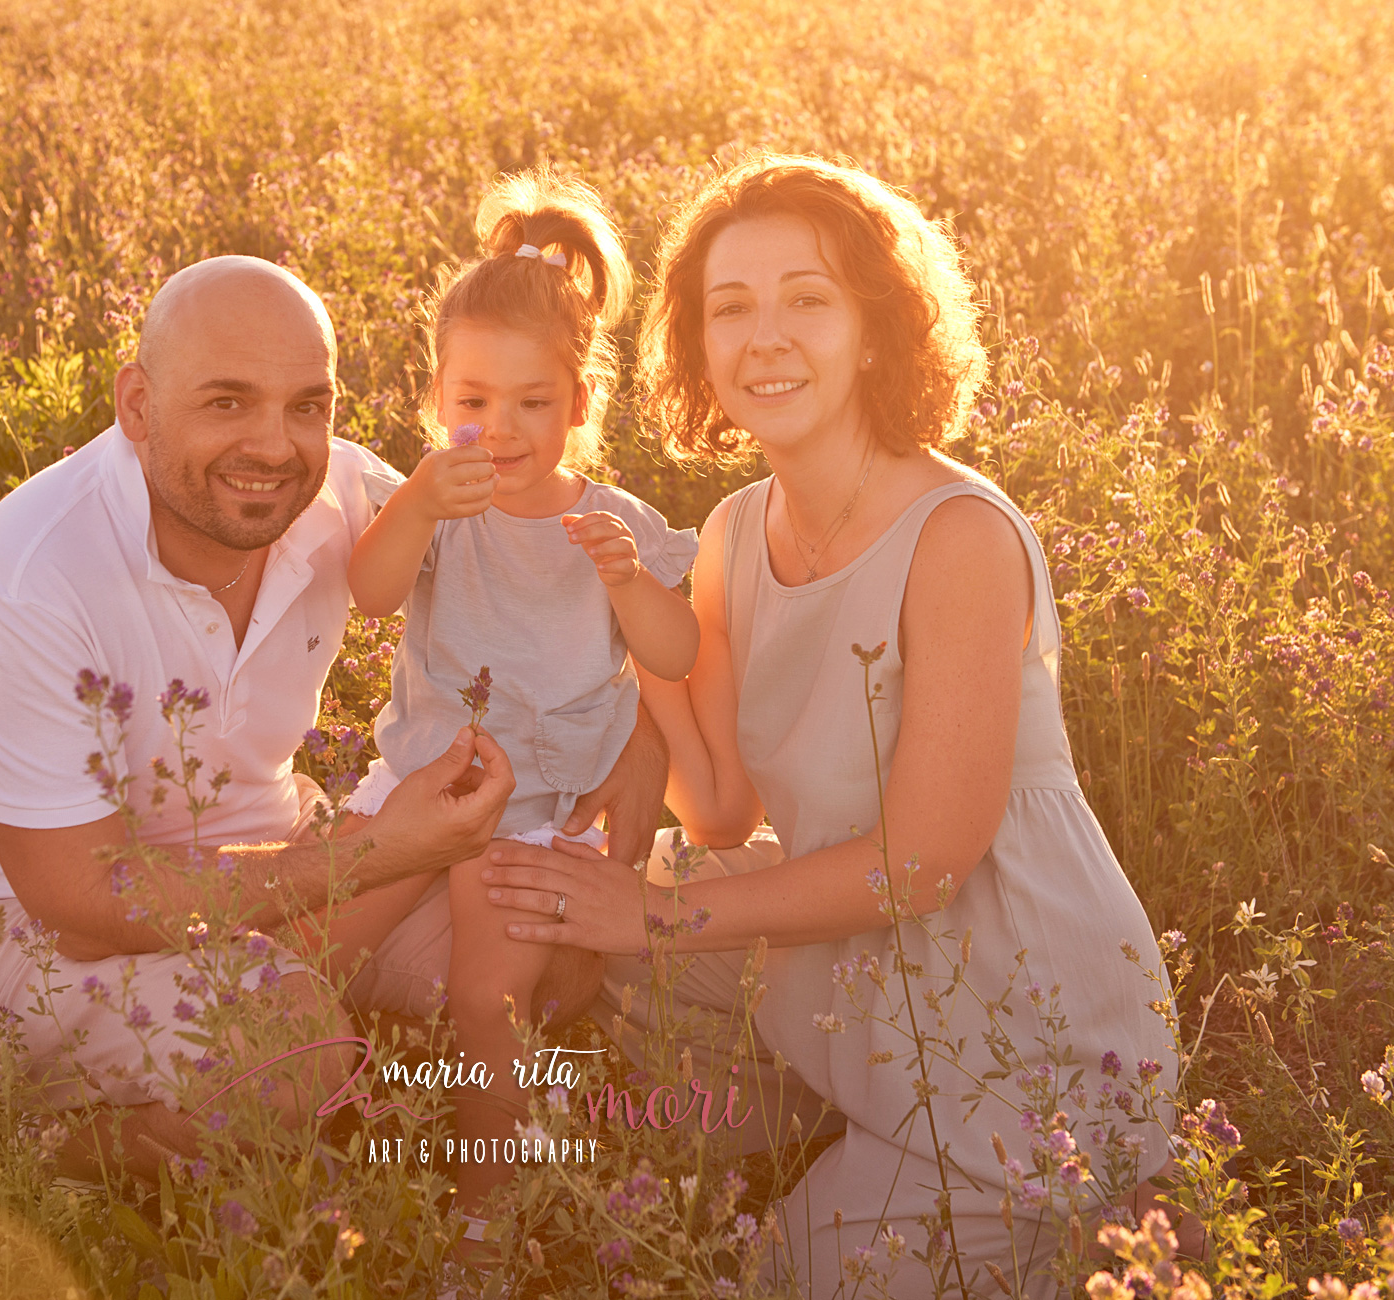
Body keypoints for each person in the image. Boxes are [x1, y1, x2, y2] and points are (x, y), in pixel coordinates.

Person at [478, 155, 1178, 1297]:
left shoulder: (957, 536)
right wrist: (626, 606)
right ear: (697, 346)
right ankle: (853, 1132)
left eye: (808, 299)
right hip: (857, 958)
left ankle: (1084, 1206)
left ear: (874, 327)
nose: (766, 338)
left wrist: (654, 914)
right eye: (731, 308)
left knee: (789, 1281)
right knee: (577, 919)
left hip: (1018, 1013)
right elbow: (717, 803)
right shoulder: (737, 530)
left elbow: (923, 866)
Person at [0, 255, 666, 1182]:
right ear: (137, 404)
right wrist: (378, 853)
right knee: (291, 1055)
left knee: (554, 951)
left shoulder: (329, 490)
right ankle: (23, 1158)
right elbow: (84, 906)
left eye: (306, 406)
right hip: (14, 933)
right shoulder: (28, 585)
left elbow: (532, 546)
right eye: (225, 402)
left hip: (266, 852)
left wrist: (641, 719)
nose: (273, 445)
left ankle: (298, 1011)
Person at [336, 169, 701, 1227]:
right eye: (472, 403)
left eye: (533, 404)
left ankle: (485, 1215)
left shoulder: (612, 519)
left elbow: (673, 654)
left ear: (581, 405)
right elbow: (368, 598)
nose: (500, 429)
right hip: (419, 786)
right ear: (435, 403)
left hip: (540, 814)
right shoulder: (438, 500)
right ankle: (337, 1119)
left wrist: (628, 578)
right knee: (311, 951)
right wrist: (410, 503)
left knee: (484, 1006)